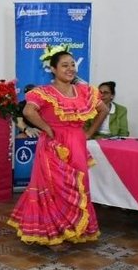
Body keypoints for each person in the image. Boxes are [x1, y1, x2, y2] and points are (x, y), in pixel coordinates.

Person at [8, 51, 109, 249]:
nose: (70, 68)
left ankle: (73, 230)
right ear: (53, 69)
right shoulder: (44, 91)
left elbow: (103, 109)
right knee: (55, 187)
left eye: (72, 64)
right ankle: (52, 234)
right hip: (53, 146)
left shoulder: (84, 91)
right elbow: (28, 111)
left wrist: (88, 133)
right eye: (64, 65)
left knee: (76, 186)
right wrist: (46, 128)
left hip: (77, 144)